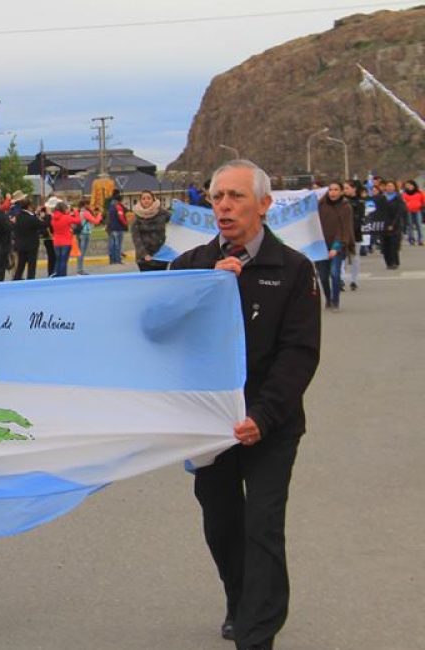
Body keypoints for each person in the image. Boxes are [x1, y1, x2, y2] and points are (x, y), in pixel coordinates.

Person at [170, 160, 320, 650]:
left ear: (264, 204)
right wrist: (204, 290)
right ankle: (240, 601)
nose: (224, 207)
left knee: (262, 526)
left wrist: (263, 416)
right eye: (216, 197)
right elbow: (156, 327)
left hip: (268, 426)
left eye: (235, 196)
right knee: (222, 525)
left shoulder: (294, 269)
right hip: (210, 427)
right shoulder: (191, 263)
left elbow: (298, 353)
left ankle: (257, 633)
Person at [316, 181, 355, 311]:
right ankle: (328, 297)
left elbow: (345, 229)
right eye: (330, 189)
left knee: (334, 273)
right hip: (321, 245)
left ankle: (335, 301)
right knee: (323, 275)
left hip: (338, 246)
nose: (333, 192)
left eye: (336, 189)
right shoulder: (320, 205)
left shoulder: (345, 207)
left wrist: (336, 247)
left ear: (341, 192)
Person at [130, 190, 170, 272]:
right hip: (145, 258)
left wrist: (180, 207)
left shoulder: (162, 213)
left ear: (153, 200)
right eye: (143, 198)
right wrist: (144, 254)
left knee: (160, 281)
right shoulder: (136, 217)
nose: (146, 200)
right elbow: (136, 238)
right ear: (140, 201)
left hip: (161, 255)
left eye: (148, 198)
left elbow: (176, 220)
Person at [373, 179, 407, 269]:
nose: (389, 188)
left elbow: (400, 211)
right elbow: (377, 211)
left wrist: (393, 224)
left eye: (391, 186)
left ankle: (395, 262)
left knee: (394, 244)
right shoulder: (381, 198)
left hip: (395, 224)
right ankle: (388, 263)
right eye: (388, 186)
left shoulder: (398, 198)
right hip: (383, 224)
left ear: (394, 187)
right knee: (385, 245)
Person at [12, 198, 45, 280]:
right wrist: (47, 216)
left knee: (20, 265)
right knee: (31, 266)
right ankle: (30, 281)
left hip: (21, 244)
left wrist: (35, 214)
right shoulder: (31, 219)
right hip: (31, 246)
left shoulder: (19, 216)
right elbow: (43, 224)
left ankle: (16, 279)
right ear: (29, 206)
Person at [342, 180, 366, 291]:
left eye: (347, 188)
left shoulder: (360, 202)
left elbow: (359, 219)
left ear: (354, 189)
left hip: (355, 234)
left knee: (354, 257)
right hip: (341, 233)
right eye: (344, 188)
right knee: (341, 257)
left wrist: (350, 229)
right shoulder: (340, 201)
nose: (345, 190)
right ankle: (340, 279)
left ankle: (354, 280)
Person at [49, 201, 79, 277]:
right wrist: (76, 212)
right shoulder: (67, 217)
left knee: (58, 260)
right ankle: (63, 276)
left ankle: (56, 274)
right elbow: (78, 220)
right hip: (66, 242)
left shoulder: (53, 219)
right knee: (64, 261)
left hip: (56, 242)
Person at [75, 199, 102, 275]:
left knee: (79, 252)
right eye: (89, 204)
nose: (90, 206)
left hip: (80, 233)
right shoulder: (86, 213)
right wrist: (99, 214)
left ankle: (79, 269)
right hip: (85, 233)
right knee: (82, 253)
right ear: (85, 205)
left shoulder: (79, 211)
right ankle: (80, 270)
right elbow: (95, 221)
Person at [104, 188, 128, 264]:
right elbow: (121, 217)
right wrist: (125, 224)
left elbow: (108, 217)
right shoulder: (118, 206)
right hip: (118, 228)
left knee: (112, 244)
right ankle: (118, 260)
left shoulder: (110, 206)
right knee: (118, 245)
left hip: (110, 228)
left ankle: (112, 260)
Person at [401, 179, 423, 246]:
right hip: (408, 211)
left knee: (419, 225)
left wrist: (421, 206)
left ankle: (420, 240)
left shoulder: (419, 193)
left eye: (411, 185)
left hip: (417, 210)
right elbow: (403, 202)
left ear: (414, 185)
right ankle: (411, 239)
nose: (410, 186)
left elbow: (423, 200)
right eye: (408, 185)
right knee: (410, 225)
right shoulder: (404, 194)